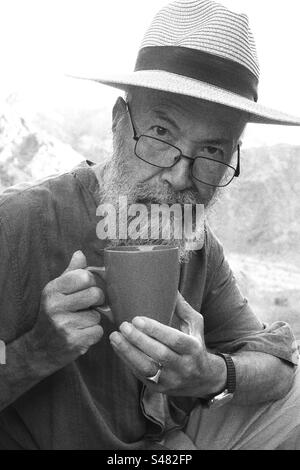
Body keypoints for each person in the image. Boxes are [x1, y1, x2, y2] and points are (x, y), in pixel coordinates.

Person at [0, 0, 299, 450]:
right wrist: (37, 351)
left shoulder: (195, 239)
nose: (180, 177)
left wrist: (207, 375)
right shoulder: (17, 222)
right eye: (161, 134)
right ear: (120, 122)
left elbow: (273, 363)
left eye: (213, 152)